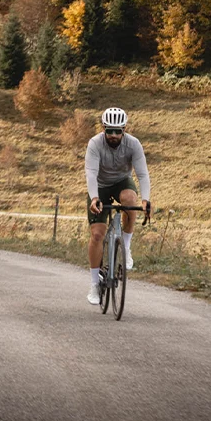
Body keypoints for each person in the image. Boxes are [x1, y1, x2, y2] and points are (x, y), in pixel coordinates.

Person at [84, 106, 150, 305]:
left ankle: (126, 247)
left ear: (124, 129)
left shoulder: (133, 144)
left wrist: (146, 200)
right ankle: (95, 284)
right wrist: (94, 198)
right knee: (97, 234)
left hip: (122, 182)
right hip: (100, 186)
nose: (113, 135)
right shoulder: (95, 144)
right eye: (109, 130)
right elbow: (91, 174)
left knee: (130, 200)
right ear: (103, 128)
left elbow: (142, 174)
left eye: (117, 131)